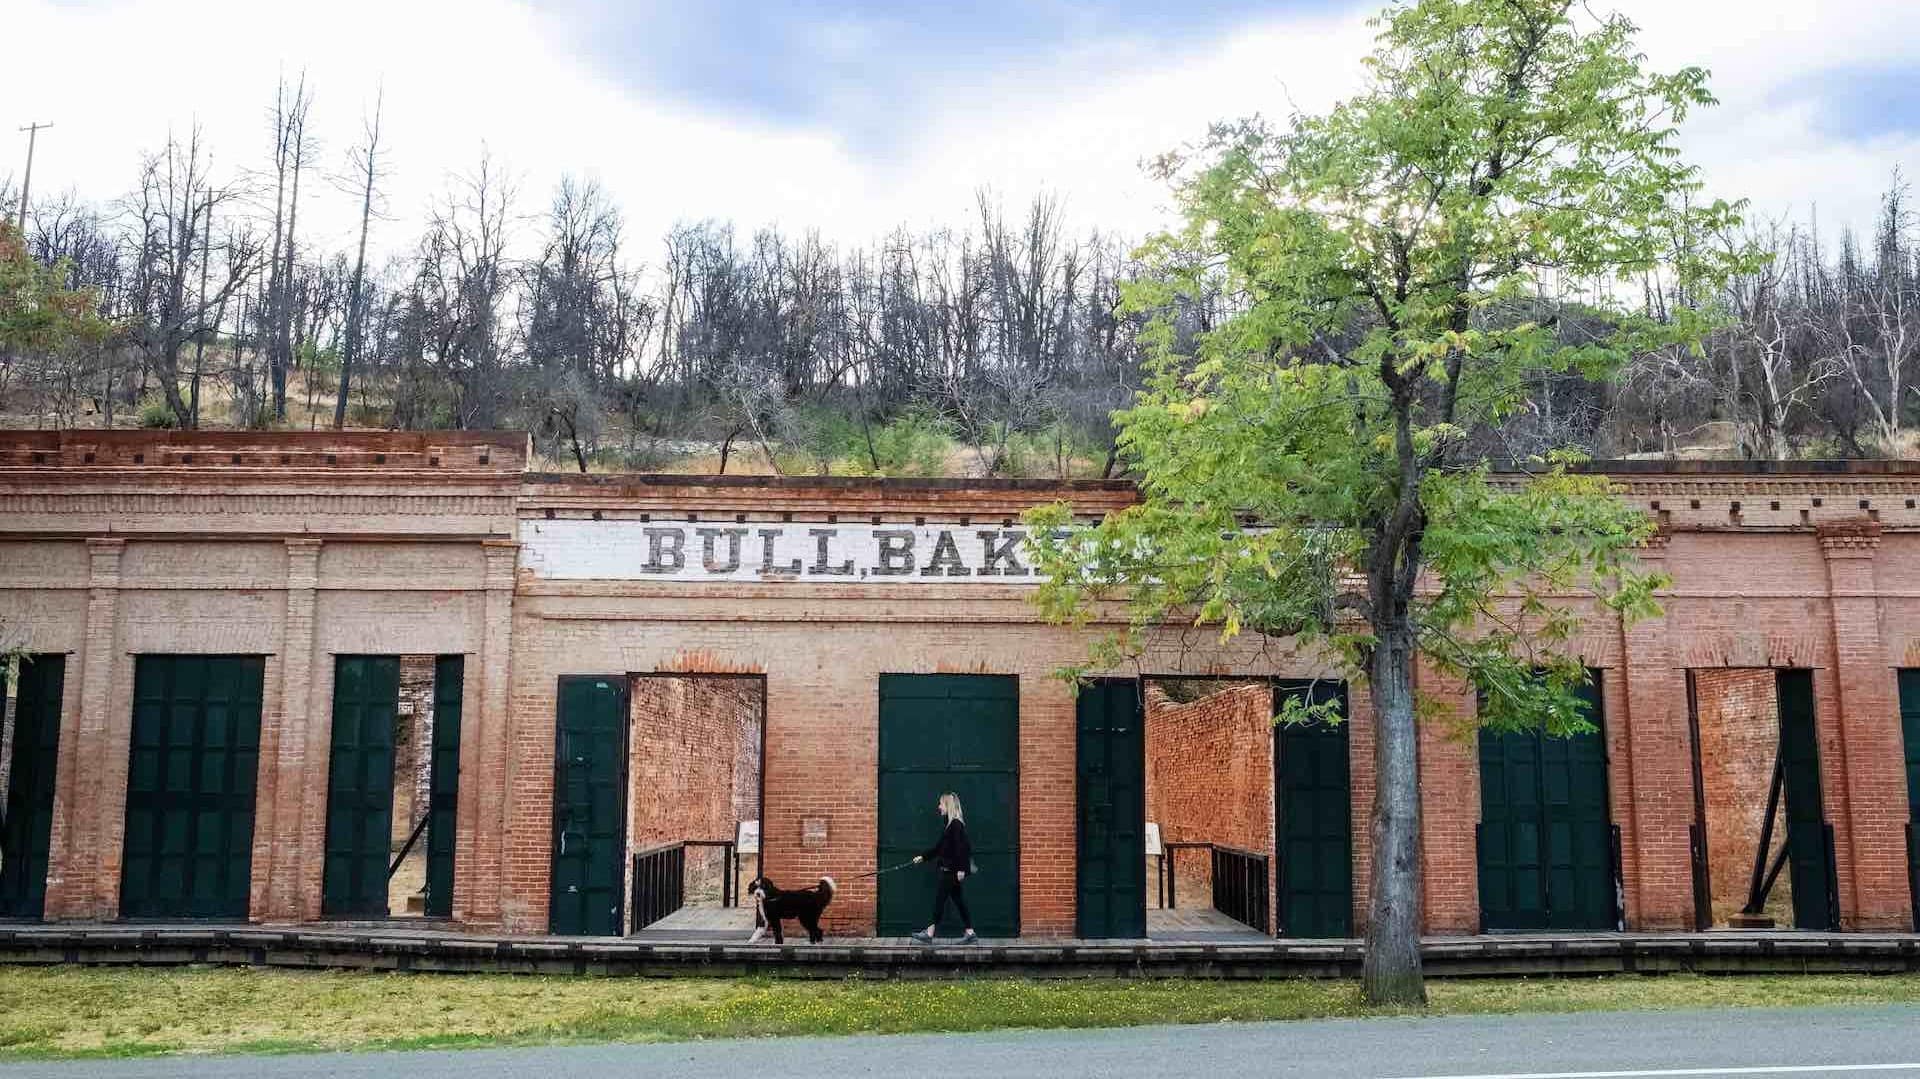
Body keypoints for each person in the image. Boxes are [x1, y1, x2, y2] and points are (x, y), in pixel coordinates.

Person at [910, 791, 976, 944]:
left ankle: (930, 933)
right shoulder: (949, 826)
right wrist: (923, 857)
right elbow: (939, 848)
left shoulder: (956, 825)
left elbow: (963, 848)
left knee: (940, 900)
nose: (938, 807)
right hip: (951, 870)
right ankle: (970, 932)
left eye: (940, 804)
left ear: (947, 805)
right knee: (959, 901)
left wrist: (961, 869)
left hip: (951, 871)